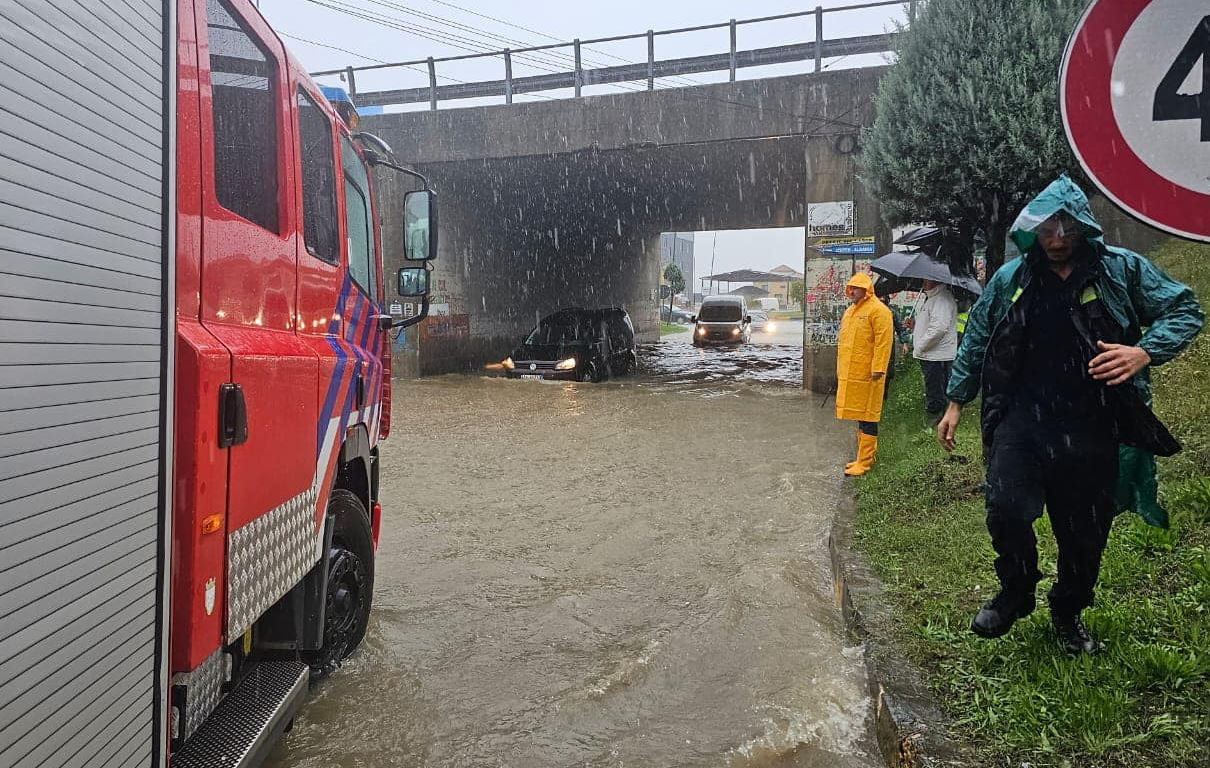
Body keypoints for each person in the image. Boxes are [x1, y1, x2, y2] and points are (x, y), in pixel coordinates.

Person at [938, 176, 1203, 654]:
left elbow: (1185, 309)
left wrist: (1142, 352)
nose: (1058, 239)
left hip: (1094, 423)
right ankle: (1016, 590)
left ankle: (1067, 611)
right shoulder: (1011, 279)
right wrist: (957, 400)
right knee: (1005, 508)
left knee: (1084, 533)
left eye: (1068, 228)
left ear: (1083, 227)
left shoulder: (1121, 271)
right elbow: (978, 335)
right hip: (1023, 420)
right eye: (1048, 229)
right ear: (1033, 231)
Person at [836, 272, 894, 477]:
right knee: (860, 415)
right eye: (850, 288)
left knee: (869, 415)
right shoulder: (851, 311)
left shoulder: (879, 311)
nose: (851, 291)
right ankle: (862, 457)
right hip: (853, 373)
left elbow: (883, 342)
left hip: (870, 375)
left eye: (856, 288)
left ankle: (866, 461)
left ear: (866, 289)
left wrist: (878, 368)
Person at [912, 279, 958, 426]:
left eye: (927, 279)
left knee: (935, 388)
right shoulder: (932, 298)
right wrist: (914, 325)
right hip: (932, 353)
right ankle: (940, 417)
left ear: (936, 281)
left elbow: (938, 329)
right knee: (935, 386)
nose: (923, 282)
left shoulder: (942, 299)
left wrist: (920, 347)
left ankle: (935, 419)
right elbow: (930, 324)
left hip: (935, 355)